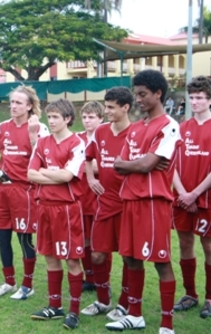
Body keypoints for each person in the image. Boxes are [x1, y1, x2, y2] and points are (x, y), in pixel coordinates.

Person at [106, 70, 180, 334]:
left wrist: (138, 164)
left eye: (143, 94)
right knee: (130, 258)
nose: (138, 99)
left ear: (158, 93)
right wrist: (136, 165)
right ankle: (135, 315)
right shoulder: (136, 128)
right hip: (130, 202)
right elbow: (120, 164)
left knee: (160, 261)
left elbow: (147, 164)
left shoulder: (169, 125)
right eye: (136, 94)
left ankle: (167, 324)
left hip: (153, 203)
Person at [0, 85, 49, 299]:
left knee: (24, 238)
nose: (13, 106)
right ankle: (9, 281)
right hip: (4, 189)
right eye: (12, 102)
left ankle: (27, 285)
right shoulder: (2, 127)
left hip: (26, 190)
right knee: (2, 236)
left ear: (29, 106)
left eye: (19, 103)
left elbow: (43, 159)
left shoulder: (40, 127)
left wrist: (31, 136)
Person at [28, 98, 86, 330]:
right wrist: (53, 173)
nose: (50, 121)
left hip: (67, 209)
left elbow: (68, 177)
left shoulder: (77, 143)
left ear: (68, 119)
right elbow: (31, 173)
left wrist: (47, 172)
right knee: (50, 257)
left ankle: (73, 311)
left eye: (55, 117)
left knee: (71, 259)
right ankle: (55, 306)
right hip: (45, 207)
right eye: (49, 117)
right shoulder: (42, 143)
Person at [80, 87, 133, 321]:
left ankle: (124, 303)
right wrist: (91, 178)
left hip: (129, 205)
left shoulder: (136, 132)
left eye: (111, 107)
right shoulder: (100, 131)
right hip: (105, 202)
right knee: (98, 255)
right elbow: (87, 157)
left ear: (125, 107)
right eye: (106, 106)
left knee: (128, 257)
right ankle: (103, 300)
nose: (107, 111)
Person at [172, 75, 211, 319]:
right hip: (182, 198)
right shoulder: (181, 127)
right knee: (185, 244)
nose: (194, 102)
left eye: (199, 98)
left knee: (208, 246)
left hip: (205, 198)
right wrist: (184, 193)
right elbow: (171, 163)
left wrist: (195, 193)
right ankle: (190, 294)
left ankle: (210, 297)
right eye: (192, 97)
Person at [77, 101, 104, 292]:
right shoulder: (77, 139)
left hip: (100, 196)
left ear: (101, 118)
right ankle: (90, 277)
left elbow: (106, 166)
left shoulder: (106, 138)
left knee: (101, 242)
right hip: (80, 197)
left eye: (91, 117)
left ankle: (103, 280)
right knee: (84, 239)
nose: (87, 120)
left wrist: (84, 167)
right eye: (85, 117)